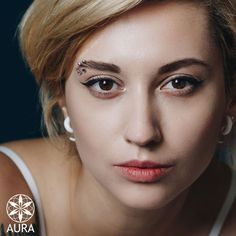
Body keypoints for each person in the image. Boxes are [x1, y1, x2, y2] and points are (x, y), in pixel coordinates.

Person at [0, 0, 236, 235]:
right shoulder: (10, 196)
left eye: (179, 83)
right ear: (60, 94)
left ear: (231, 97)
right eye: (104, 84)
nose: (142, 134)